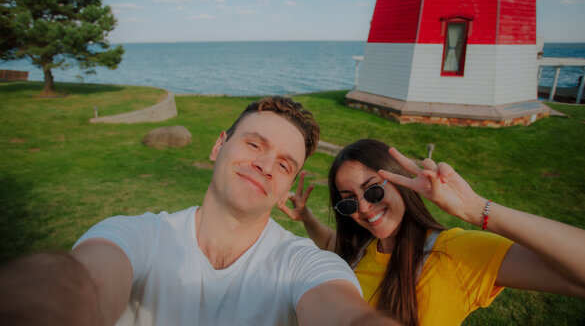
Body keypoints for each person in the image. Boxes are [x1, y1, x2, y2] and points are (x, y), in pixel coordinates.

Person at [0, 98, 400, 326]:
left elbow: (344, 315)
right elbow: (81, 280)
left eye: (283, 164)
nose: (265, 165)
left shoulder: (303, 263)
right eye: (254, 145)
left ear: (287, 185)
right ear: (218, 146)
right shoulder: (138, 236)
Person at [279, 138, 585, 326]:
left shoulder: (455, 252)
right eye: (348, 202)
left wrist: (475, 208)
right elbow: (332, 242)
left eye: (372, 191)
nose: (363, 208)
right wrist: (306, 217)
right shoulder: (360, 251)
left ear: (400, 182)